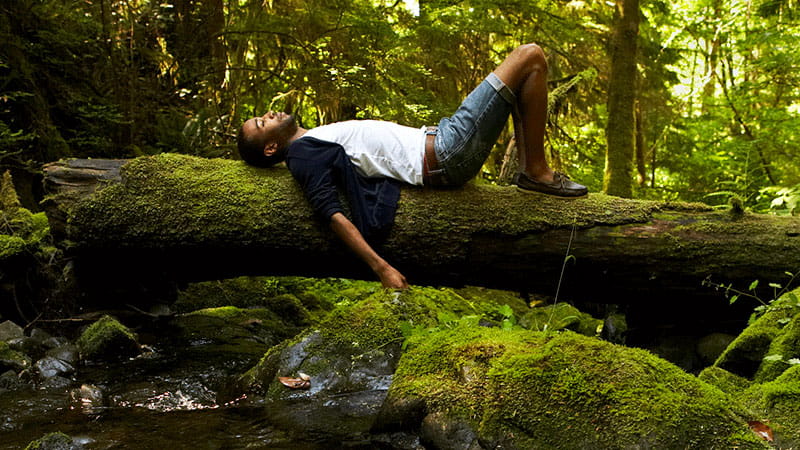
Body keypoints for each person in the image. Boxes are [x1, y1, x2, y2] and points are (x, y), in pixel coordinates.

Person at [237, 43, 587, 289]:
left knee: (527, 73)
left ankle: (532, 170)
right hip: (447, 153)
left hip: (444, 140)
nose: (268, 114)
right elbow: (332, 215)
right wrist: (382, 268)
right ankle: (537, 173)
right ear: (271, 147)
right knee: (530, 56)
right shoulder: (302, 155)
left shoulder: (313, 138)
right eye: (261, 122)